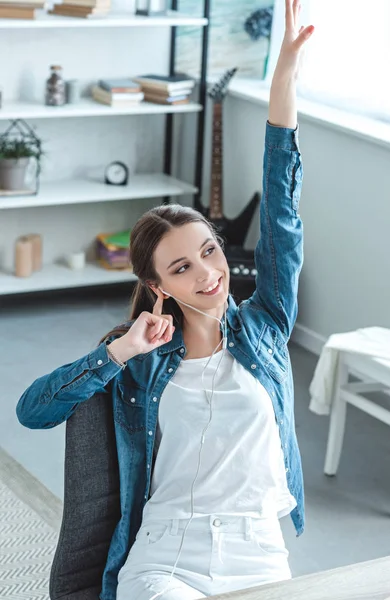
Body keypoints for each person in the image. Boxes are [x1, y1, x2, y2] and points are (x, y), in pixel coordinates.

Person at [16, 2, 314, 599]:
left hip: (259, 550)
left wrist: (283, 82)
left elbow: (282, 214)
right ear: (158, 286)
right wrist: (119, 352)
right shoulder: (139, 362)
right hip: (167, 554)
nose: (208, 272)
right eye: (182, 265)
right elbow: (33, 411)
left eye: (209, 250)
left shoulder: (267, 325)